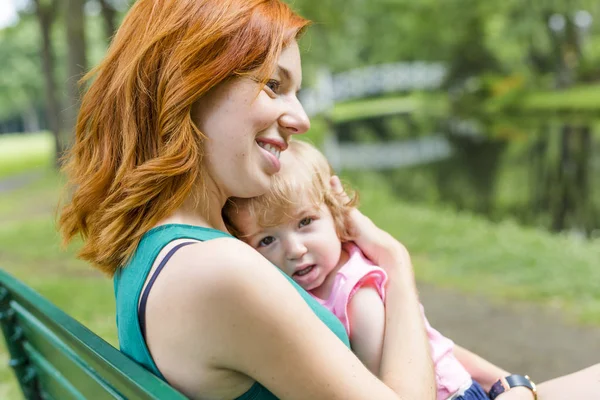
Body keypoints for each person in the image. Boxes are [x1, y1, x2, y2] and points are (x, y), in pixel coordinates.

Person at [59, 0, 437, 399]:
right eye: (274, 86)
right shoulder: (221, 270)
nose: (302, 119)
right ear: (190, 83)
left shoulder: (150, 249)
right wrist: (396, 263)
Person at [223, 140, 600, 400]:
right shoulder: (299, 290)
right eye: (267, 240)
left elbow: (384, 386)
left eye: (305, 222)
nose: (295, 249)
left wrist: (506, 382)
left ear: (338, 216)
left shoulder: (355, 291)